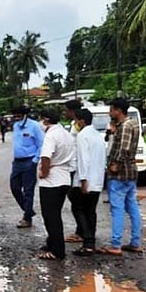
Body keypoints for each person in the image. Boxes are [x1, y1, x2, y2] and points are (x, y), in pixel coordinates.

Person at [100, 97, 142, 255]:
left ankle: (116, 244)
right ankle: (135, 242)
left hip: (120, 172)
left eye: (111, 110)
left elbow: (123, 148)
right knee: (132, 207)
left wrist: (115, 163)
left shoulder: (125, 126)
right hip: (131, 171)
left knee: (117, 208)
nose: (110, 113)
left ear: (118, 110)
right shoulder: (132, 124)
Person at [37, 108, 76, 260]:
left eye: (41, 119)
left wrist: (44, 172)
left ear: (45, 120)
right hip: (64, 178)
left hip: (51, 181)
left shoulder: (50, 135)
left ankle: (57, 250)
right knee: (55, 214)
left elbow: (46, 157)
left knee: (50, 216)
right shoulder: (65, 133)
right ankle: (52, 242)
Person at [71, 108, 106, 256]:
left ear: (81, 121)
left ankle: (88, 242)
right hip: (97, 179)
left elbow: (83, 159)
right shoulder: (98, 135)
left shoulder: (82, 136)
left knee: (78, 209)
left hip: (85, 180)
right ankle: (91, 240)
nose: (75, 124)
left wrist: (83, 179)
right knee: (90, 211)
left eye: (76, 121)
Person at [10, 105, 44, 229]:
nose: (17, 118)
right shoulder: (15, 126)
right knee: (14, 188)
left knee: (28, 191)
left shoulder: (34, 126)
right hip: (17, 162)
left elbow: (41, 144)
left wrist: (35, 160)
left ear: (25, 115)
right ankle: (28, 210)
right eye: (15, 116)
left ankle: (27, 218)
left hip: (29, 161)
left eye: (19, 116)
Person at [62, 98, 85, 243]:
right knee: (76, 202)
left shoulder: (78, 126)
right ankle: (81, 230)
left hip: (76, 168)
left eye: (66, 110)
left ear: (72, 111)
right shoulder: (74, 125)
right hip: (74, 167)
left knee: (77, 203)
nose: (65, 112)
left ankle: (82, 232)